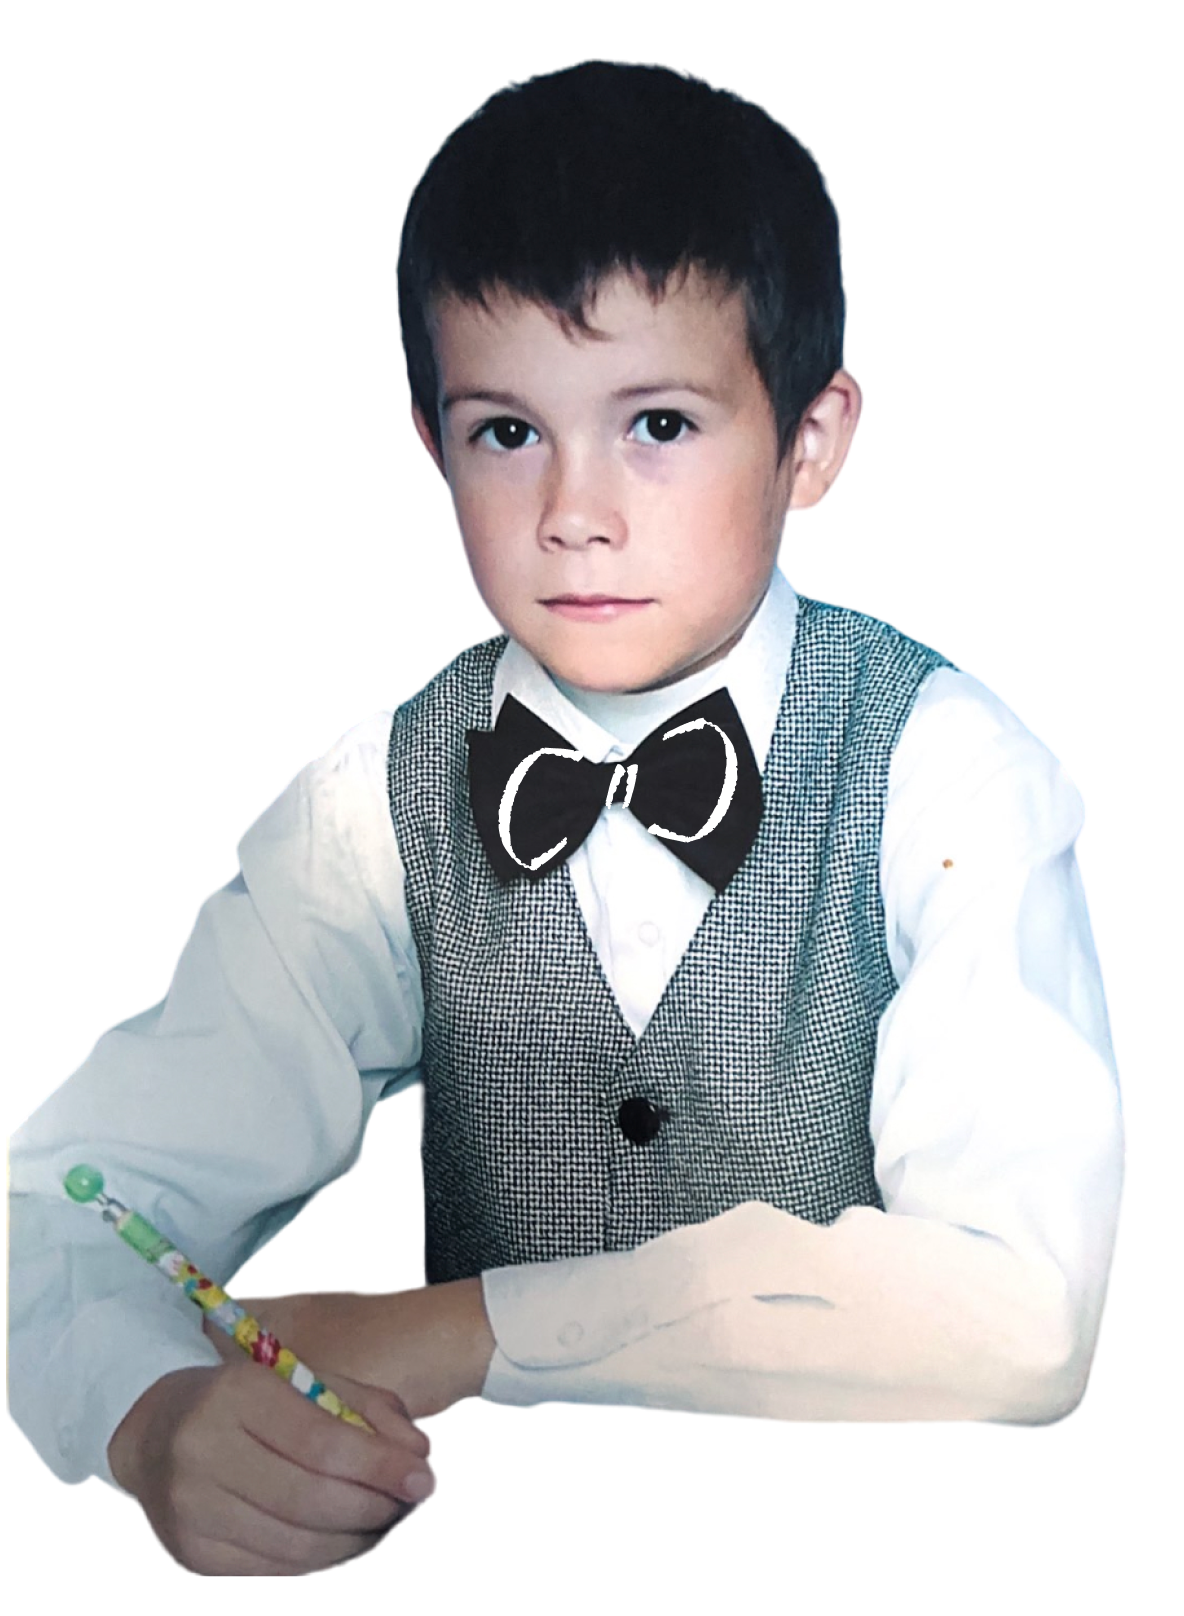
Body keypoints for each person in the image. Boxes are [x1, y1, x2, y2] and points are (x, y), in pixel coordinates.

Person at [5, 47, 1124, 1581]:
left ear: (813, 438)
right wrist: (142, 1418)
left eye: (657, 424)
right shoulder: (376, 802)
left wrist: (465, 1331)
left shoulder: (947, 764)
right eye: (508, 432)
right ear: (431, 444)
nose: (573, 516)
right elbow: (57, 1199)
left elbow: (1026, 1317)